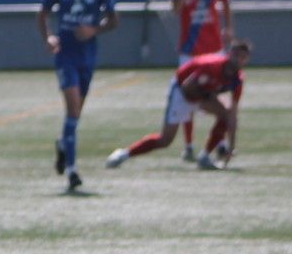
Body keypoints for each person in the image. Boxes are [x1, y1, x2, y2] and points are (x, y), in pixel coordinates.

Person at [37, 0, 119, 193]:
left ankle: (63, 145)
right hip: (66, 54)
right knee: (72, 108)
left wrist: (94, 30)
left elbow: (114, 20)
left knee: (76, 113)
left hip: (88, 55)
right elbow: (42, 13)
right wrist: (49, 37)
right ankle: (72, 170)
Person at [107, 40, 251, 171]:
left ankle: (205, 156)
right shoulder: (212, 67)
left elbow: (233, 113)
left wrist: (231, 146)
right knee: (165, 140)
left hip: (202, 94)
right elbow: (187, 88)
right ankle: (123, 154)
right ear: (229, 54)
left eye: (242, 57)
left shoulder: (238, 79)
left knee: (226, 115)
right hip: (181, 92)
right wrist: (205, 101)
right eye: (236, 55)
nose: (238, 60)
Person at [168, 0, 236, 162]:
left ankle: (222, 143)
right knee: (188, 96)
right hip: (189, 49)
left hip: (213, 48)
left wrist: (228, 28)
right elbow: (176, 9)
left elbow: (226, 2)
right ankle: (188, 144)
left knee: (218, 96)